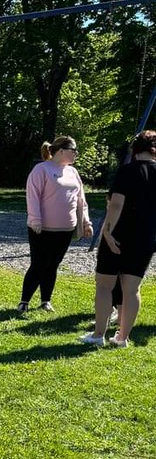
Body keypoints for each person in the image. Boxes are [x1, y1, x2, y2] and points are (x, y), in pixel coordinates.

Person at [80, 129, 156, 348]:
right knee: (132, 290)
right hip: (145, 237)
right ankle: (122, 338)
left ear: (135, 148)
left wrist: (107, 231)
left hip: (120, 234)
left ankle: (98, 335)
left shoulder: (128, 171)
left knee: (104, 286)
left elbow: (116, 204)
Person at [18, 136, 92, 313]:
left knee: (53, 264)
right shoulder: (41, 169)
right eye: (74, 150)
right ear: (61, 151)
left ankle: (45, 301)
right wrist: (35, 219)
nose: (76, 154)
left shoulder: (72, 172)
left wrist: (86, 222)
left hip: (66, 228)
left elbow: (81, 199)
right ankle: (24, 301)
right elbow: (33, 196)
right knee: (38, 264)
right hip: (42, 228)